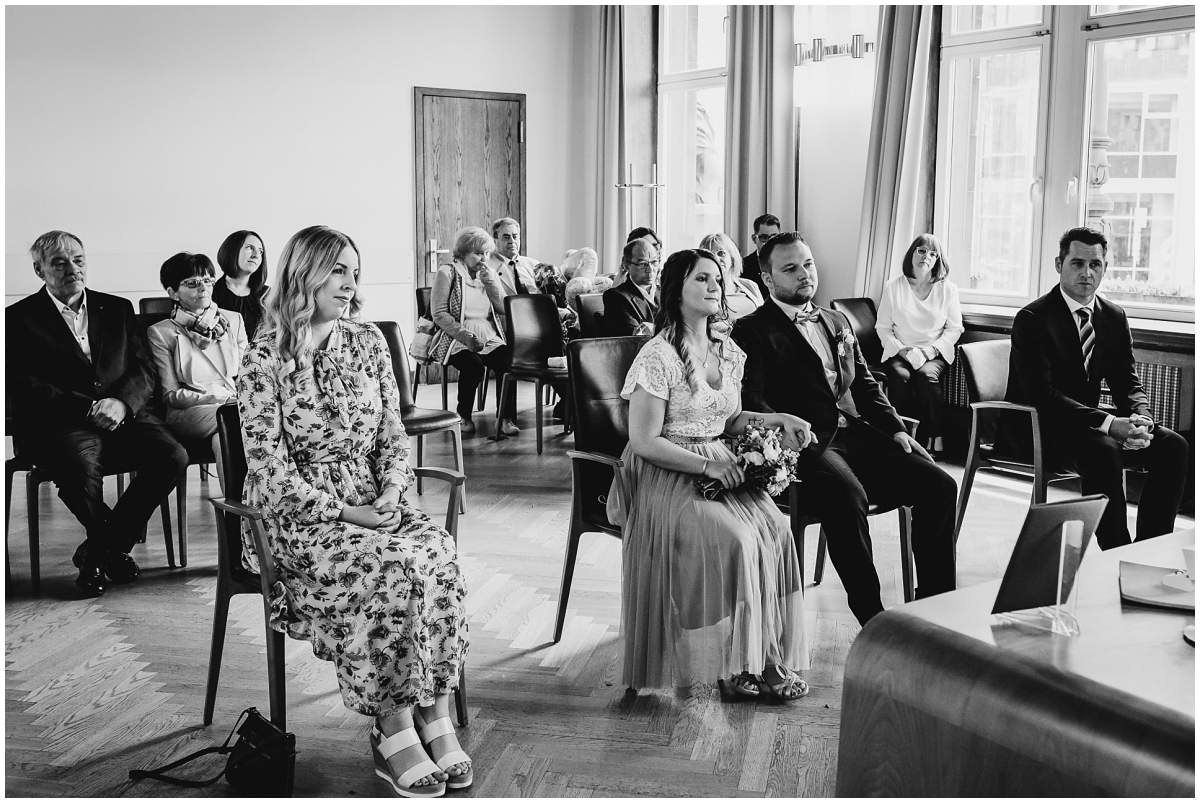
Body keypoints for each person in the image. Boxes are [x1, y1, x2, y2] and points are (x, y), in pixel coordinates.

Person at [238, 225, 471, 798]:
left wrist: (390, 495)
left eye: (354, 270)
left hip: (374, 498)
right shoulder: (261, 360)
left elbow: (394, 434)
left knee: (434, 551)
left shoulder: (367, 342)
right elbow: (271, 473)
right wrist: (350, 514)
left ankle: (434, 714)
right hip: (298, 518)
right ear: (304, 276)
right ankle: (392, 728)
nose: (350, 283)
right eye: (338, 270)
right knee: (386, 570)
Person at [607, 247, 812, 701]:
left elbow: (730, 420)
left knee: (777, 530)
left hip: (719, 465)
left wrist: (778, 420)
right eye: (702, 279)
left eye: (717, 278)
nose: (715, 286)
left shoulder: (727, 350)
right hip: (667, 473)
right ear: (676, 290)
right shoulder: (657, 356)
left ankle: (761, 658)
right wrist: (710, 465)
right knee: (736, 542)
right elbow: (644, 440)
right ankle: (734, 666)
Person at [732, 232, 958, 626]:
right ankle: (872, 617)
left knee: (940, 485)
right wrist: (785, 429)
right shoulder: (750, 330)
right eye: (790, 269)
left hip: (856, 434)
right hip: (804, 447)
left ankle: (936, 607)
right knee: (847, 494)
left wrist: (896, 430)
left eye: (808, 264)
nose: (804, 274)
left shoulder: (836, 320)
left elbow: (867, 386)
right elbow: (752, 400)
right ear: (767, 279)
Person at [6, 230, 188, 596]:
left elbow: (143, 371)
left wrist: (121, 403)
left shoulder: (117, 308)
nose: (71, 268)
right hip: (61, 422)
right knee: (78, 467)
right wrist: (87, 408)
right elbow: (21, 384)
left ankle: (97, 550)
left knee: (172, 455)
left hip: (123, 415)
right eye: (59, 262)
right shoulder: (16, 318)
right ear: (39, 271)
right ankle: (105, 554)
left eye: (78, 260)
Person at [1006, 226, 1188, 550]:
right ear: (1058, 264)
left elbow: (1126, 380)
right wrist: (1108, 423)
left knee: (1173, 445)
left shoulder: (1113, 317)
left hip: (1086, 423)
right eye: (1077, 263)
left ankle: (1149, 550)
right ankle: (1117, 552)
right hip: (1039, 426)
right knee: (1102, 448)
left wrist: (1140, 417)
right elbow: (1042, 396)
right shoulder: (1032, 319)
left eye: (1095, 265)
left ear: (1105, 268)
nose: (1087, 273)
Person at [146, 252, 248, 483]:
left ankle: (239, 511)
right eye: (192, 283)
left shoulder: (233, 320)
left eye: (208, 280)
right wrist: (222, 397)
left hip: (233, 407)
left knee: (225, 434)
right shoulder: (161, 333)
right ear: (173, 293)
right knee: (232, 419)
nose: (202, 287)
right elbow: (171, 395)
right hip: (188, 412)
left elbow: (247, 377)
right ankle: (244, 511)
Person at [875, 234, 963, 452]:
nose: (926, 257)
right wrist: (902, 350)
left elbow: (954, 328)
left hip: (933, 352)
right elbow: (883, 327)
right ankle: (902, 434)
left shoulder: (947, 289)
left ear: (938, 260)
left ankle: (934, 437)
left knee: (926, 378)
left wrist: (930, 351)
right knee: (900, 377)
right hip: (900, 350)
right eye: (921, 251)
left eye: (933, 254)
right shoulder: (893, 287)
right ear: (912, 254)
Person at [429, 226, 519, 436]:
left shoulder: (486, 274)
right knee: (473, 367)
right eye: (478, 253)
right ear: (463, 253)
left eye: (486, 253)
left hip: (486, 333)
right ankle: (464, 417)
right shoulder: (448, 272)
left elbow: (501, 308)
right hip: (454, 336)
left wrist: (491, 282)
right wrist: (466, 337)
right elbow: (439, 314)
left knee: (507, 362)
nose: (483, 258)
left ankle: (505, 418)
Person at [212, 230, 269, 338]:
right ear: (232, 251)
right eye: (249, 248)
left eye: (260, 251)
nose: (256, 255)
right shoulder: (210, 294)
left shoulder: (268, 295)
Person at [699, 232, 763, 322]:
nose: (716, 259)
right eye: (710, 255)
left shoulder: (750, 285)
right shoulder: (702, 292)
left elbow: (765, 317)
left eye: (721, 253)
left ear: (732, 258)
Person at [602, 239, 659, 336]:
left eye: (654, 262)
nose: (650, 269)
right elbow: (636, 337)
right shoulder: (615, 297)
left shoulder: (666, 292)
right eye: (642, 264)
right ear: (626, 265)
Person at [740, 213, 781, 298]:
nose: (770, 242)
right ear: (754, 239)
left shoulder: (789, 263)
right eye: (764, 237)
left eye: (774, 237)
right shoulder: (743, 267)